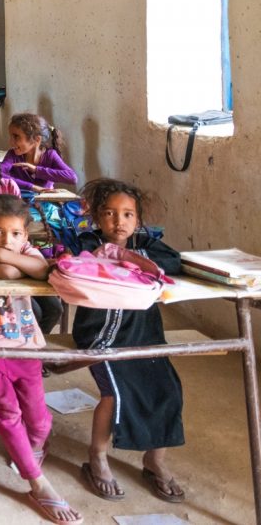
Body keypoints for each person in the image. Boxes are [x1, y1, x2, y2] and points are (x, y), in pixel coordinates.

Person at [0, 195, 83, 525]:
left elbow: (43, 269)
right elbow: (6, 273)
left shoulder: (13, 252)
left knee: (40, 418)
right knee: (9, 413)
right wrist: (8, 260)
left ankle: (28, 451)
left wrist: (3, 255)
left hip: (27, 347)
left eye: (15, 234)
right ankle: (38, 483)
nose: (7, 240)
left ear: (26, 236)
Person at [73, 178, 185, 504]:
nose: (118, 221)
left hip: (144, 333)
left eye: (126, 214)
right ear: (96, 217)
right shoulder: (88, 242)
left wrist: (128, 257)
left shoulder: (146, 245)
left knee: (168, 388)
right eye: (108, 213)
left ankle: (155, 460)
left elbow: (173, 264)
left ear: (137, 219)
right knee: (115, 392)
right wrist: (105, 256)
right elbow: (74, 264)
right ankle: (97, 456)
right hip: (101, 333)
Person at [1, 113, 77, 192]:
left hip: (45, 202)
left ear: (37, 140)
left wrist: (36, 170)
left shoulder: (50, 155)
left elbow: (72, 177)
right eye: (11, 136)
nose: (11, 142)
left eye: (16, 136)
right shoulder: (13, 155)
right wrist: (32, 187)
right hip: (20, 202)